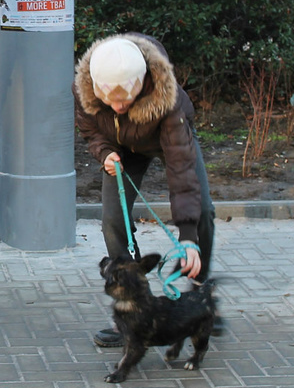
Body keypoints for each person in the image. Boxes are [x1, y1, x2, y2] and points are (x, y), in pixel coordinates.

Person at [73, 33, 216, 347]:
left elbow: (182, 171)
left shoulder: (170, 104)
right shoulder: (84, 88)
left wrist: (188, 238)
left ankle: (199, 306)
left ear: (141, 85)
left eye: (126, 99)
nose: (118, 107)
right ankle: (134, 313)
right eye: (110, 101)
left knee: (202, 212)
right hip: (122, 152)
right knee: (112, 222)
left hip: (167, 143)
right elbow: (90, 128)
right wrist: (105, 152)